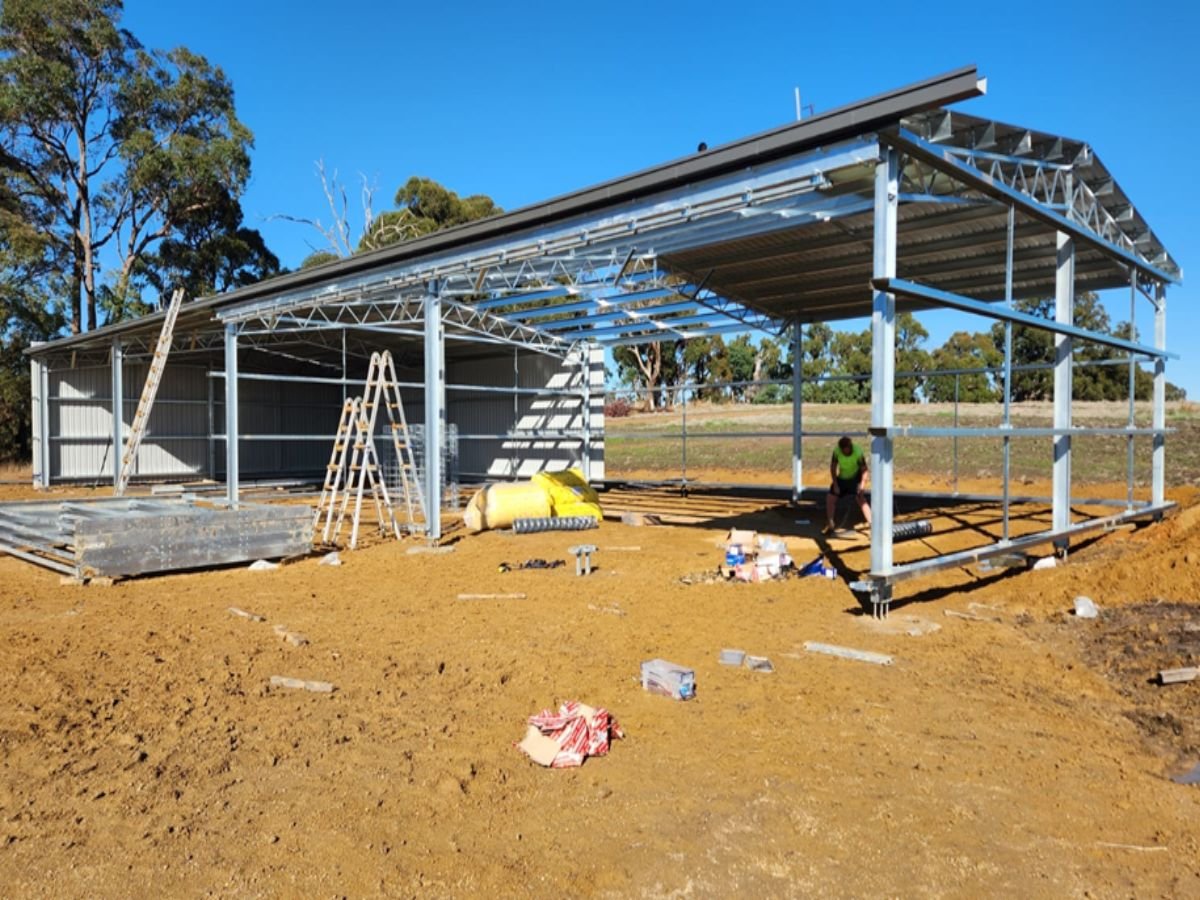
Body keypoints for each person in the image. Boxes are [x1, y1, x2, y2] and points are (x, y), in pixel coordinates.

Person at [825, 435, 871, 534]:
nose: (845, 452)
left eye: (846, 450)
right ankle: (831, 524)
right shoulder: (837, 452)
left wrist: (862, 485)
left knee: (861, 499)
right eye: (843, 451)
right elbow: (833, 468)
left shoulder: (857, 452)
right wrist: (836, 484)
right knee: (830, 498)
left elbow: (865, 470)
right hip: (842, 478)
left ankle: (872, 524)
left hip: (855, 478)